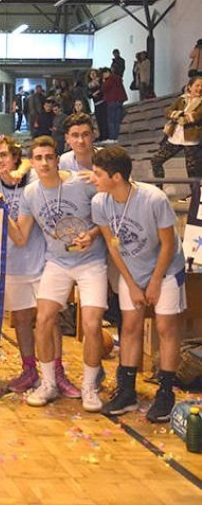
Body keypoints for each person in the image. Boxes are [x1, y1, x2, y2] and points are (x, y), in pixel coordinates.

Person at [9, 136, 107, 411]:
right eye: (38, 158)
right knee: (43, 319)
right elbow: (20, 236)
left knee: (91, 324)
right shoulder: (30, 193)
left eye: (49, 157)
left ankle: (89, 386)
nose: (44, 163)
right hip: (58, 262)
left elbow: (107, 215)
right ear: (33, 162)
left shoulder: (81, 182)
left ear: (56, 158)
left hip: (91, 260)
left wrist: (92, 233)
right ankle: (48, 383)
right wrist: (1, 214)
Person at [91, 146, 186, 422]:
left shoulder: (153, 199)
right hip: (132, 270)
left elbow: (168, 244)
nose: (93, 179)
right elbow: (112, 246)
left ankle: (166, 392)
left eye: (98, 174)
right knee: (129, 325)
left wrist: (155, 281)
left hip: (167, 268)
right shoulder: (100, 202)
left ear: (117, 177)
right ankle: (127, 391)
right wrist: (131, 284)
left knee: (166, 326)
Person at [0, 136, 49, 393]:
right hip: (11, 263)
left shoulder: (31, 179)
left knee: (48, 320)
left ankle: (54, 372)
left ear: (15, 157)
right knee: (21, 319)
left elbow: (21, 236)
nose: (0, 161)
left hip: (39, 259)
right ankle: (29, 370)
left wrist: (24, 168)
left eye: (4, 155)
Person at [150, 76, 202, 196]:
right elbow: (168, 112)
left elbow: (198, 116)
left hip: (191, 139)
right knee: (156, 160)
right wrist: (179, 114)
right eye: (197, 85)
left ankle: (195, 196)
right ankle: (159, 190)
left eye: (201, 86)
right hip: (175, 137)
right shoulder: (181, 99)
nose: (199, 88)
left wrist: (183, 117)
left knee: (192, 171)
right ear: (190, 86)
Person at [100, 67, 128, 142]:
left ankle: (112, 137)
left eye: (103, 74)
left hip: (112, 100)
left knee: (111, 120)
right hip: (119, 100)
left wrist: (103, 82)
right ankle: (115, 137)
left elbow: (104, 89)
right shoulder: (117, 78)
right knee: (116, 120)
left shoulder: (110, 79)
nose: (103, 76)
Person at [88, 69, 108, 141]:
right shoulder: (89, 84)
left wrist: (97, 92)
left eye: (94, 73)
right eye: (91, 74)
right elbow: (88, 95)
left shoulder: (100, 81)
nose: (93, 75)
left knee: (104, 120)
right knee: (99, 121)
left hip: (102, 102)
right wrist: (92, 94)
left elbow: (103, 89)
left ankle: (106, 135)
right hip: (96, 104)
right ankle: (101, 135)